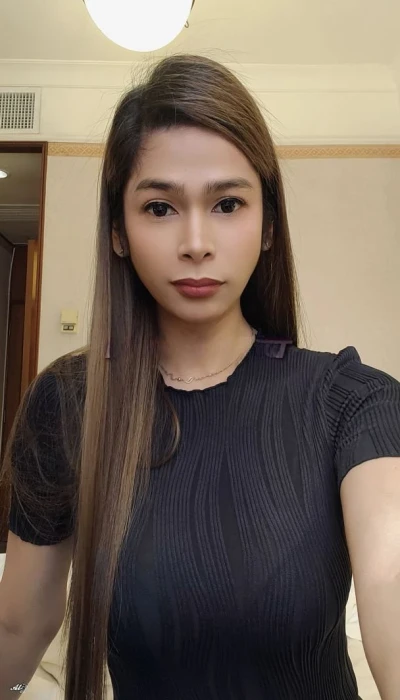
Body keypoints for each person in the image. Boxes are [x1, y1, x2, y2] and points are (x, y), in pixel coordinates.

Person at [0, 54, 399, 700]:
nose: (195, 242)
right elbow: (19, 624)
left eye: (228, 204)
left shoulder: (351, 401)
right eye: (160, 207)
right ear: (118, 231)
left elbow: (390, 580)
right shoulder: (72, 402)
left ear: (268, 226)